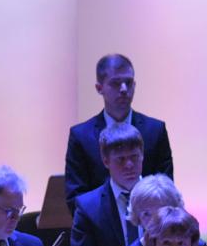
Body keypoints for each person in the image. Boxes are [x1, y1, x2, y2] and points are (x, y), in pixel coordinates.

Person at [64, 53, 174, 210]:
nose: (124, 89)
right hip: (99, 223)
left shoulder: (155, 130)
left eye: (128, 82)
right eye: (115, 83)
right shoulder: (80, 136)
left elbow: (166, 190)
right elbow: (76, 197)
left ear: (134, 85)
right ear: (99, 88)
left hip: (149, 222)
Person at [70, 123, 145, 246]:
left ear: (142, 156)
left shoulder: (163, 199)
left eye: (134, 157)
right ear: (105, 161)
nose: (129, 165)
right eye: (121, 159)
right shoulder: (87, 208)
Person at [115, 175, 207, 246]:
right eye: (146, 214)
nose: (153, 220)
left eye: (161, 211)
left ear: (175, 210)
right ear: (137, 217)